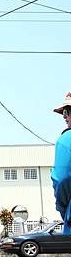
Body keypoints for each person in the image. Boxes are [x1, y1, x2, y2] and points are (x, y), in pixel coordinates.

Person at [52, 92, 71, 234]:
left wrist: (65, 210)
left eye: (66, 111)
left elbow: (62, 179)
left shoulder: (66, 140)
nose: (64, 116)